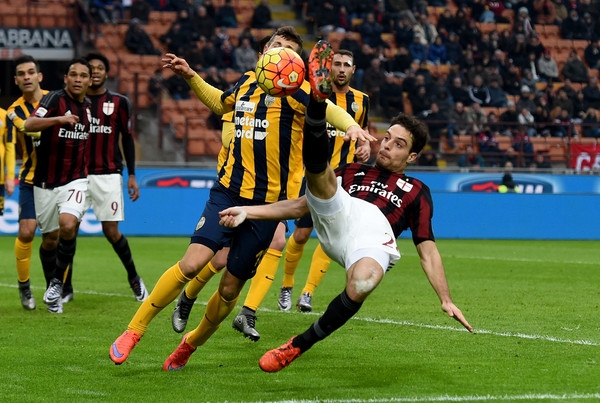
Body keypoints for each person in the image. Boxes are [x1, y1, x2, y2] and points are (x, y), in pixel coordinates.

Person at [108, 31, 375, 368]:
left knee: (229, 289)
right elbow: (221, 103)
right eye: (278, 47)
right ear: (265, 51)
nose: (282, 54)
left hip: (266, 208)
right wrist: (191, 76)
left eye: (291, 51)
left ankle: (190, 344)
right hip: (228, 191)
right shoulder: (247, 82)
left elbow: (330, 110)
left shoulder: (298, 92)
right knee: (191, 263)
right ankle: (134, 329)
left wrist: (351, 126)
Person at [218, 50, 473, 372]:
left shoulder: (417, 191)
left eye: (398, 144)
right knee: (322, 173)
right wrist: (248, 212)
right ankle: (317, 104)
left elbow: (428, 250)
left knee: (363, 283)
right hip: (338, 212)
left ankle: (297, 346)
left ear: (412, 157)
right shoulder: (353, 170)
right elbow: (299, 205)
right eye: (387, 138)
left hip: (372, 238)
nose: (386, 145)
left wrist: (445, 298)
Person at [275, 49, 371, 314]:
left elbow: (362, 129)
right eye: (336, 64)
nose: (341, 69)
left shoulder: (362, 100)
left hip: (345, 178)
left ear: (353, 69)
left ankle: (307, 292)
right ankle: (287, 285)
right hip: (314, 175)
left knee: (332, 236)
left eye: (346, 65)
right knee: (301, 234)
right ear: (329, 68)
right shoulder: (315, 94)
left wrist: (365, 146)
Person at [23, 57, 93, 314]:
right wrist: (58, 120)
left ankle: (57, 284)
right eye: (73, 75)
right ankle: (52, 291)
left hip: (76, 180)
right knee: (50, 240)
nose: (78, 79)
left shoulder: (89, 108)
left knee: (68, 224)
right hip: (45, 183)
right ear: (66, 78)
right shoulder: (53, 99)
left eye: (83, 76)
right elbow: (29, 125)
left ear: (89, 80)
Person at [76, 52, 148, 302]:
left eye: (100, 68)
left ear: (106, 73)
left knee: (111, 231)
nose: (95, 71)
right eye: (91, 68)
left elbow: (127, 139)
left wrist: (132, 175)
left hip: (108, 175)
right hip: (77, 176)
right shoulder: (73, 102)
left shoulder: (119, 102)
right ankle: (65, 288)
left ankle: (134, 279)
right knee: (68, 229)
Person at [5, 55, 53, 310]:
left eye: (30, 72)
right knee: (26, 231)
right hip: (31, 179)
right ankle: (24, 285)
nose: (26, 77)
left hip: (59, 180)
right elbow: (30, 128)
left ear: (39, 76)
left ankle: (58, 287)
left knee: (55, 237)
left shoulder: (55, 99)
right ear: (16, 80)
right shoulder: (13, 111)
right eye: (21, 74)